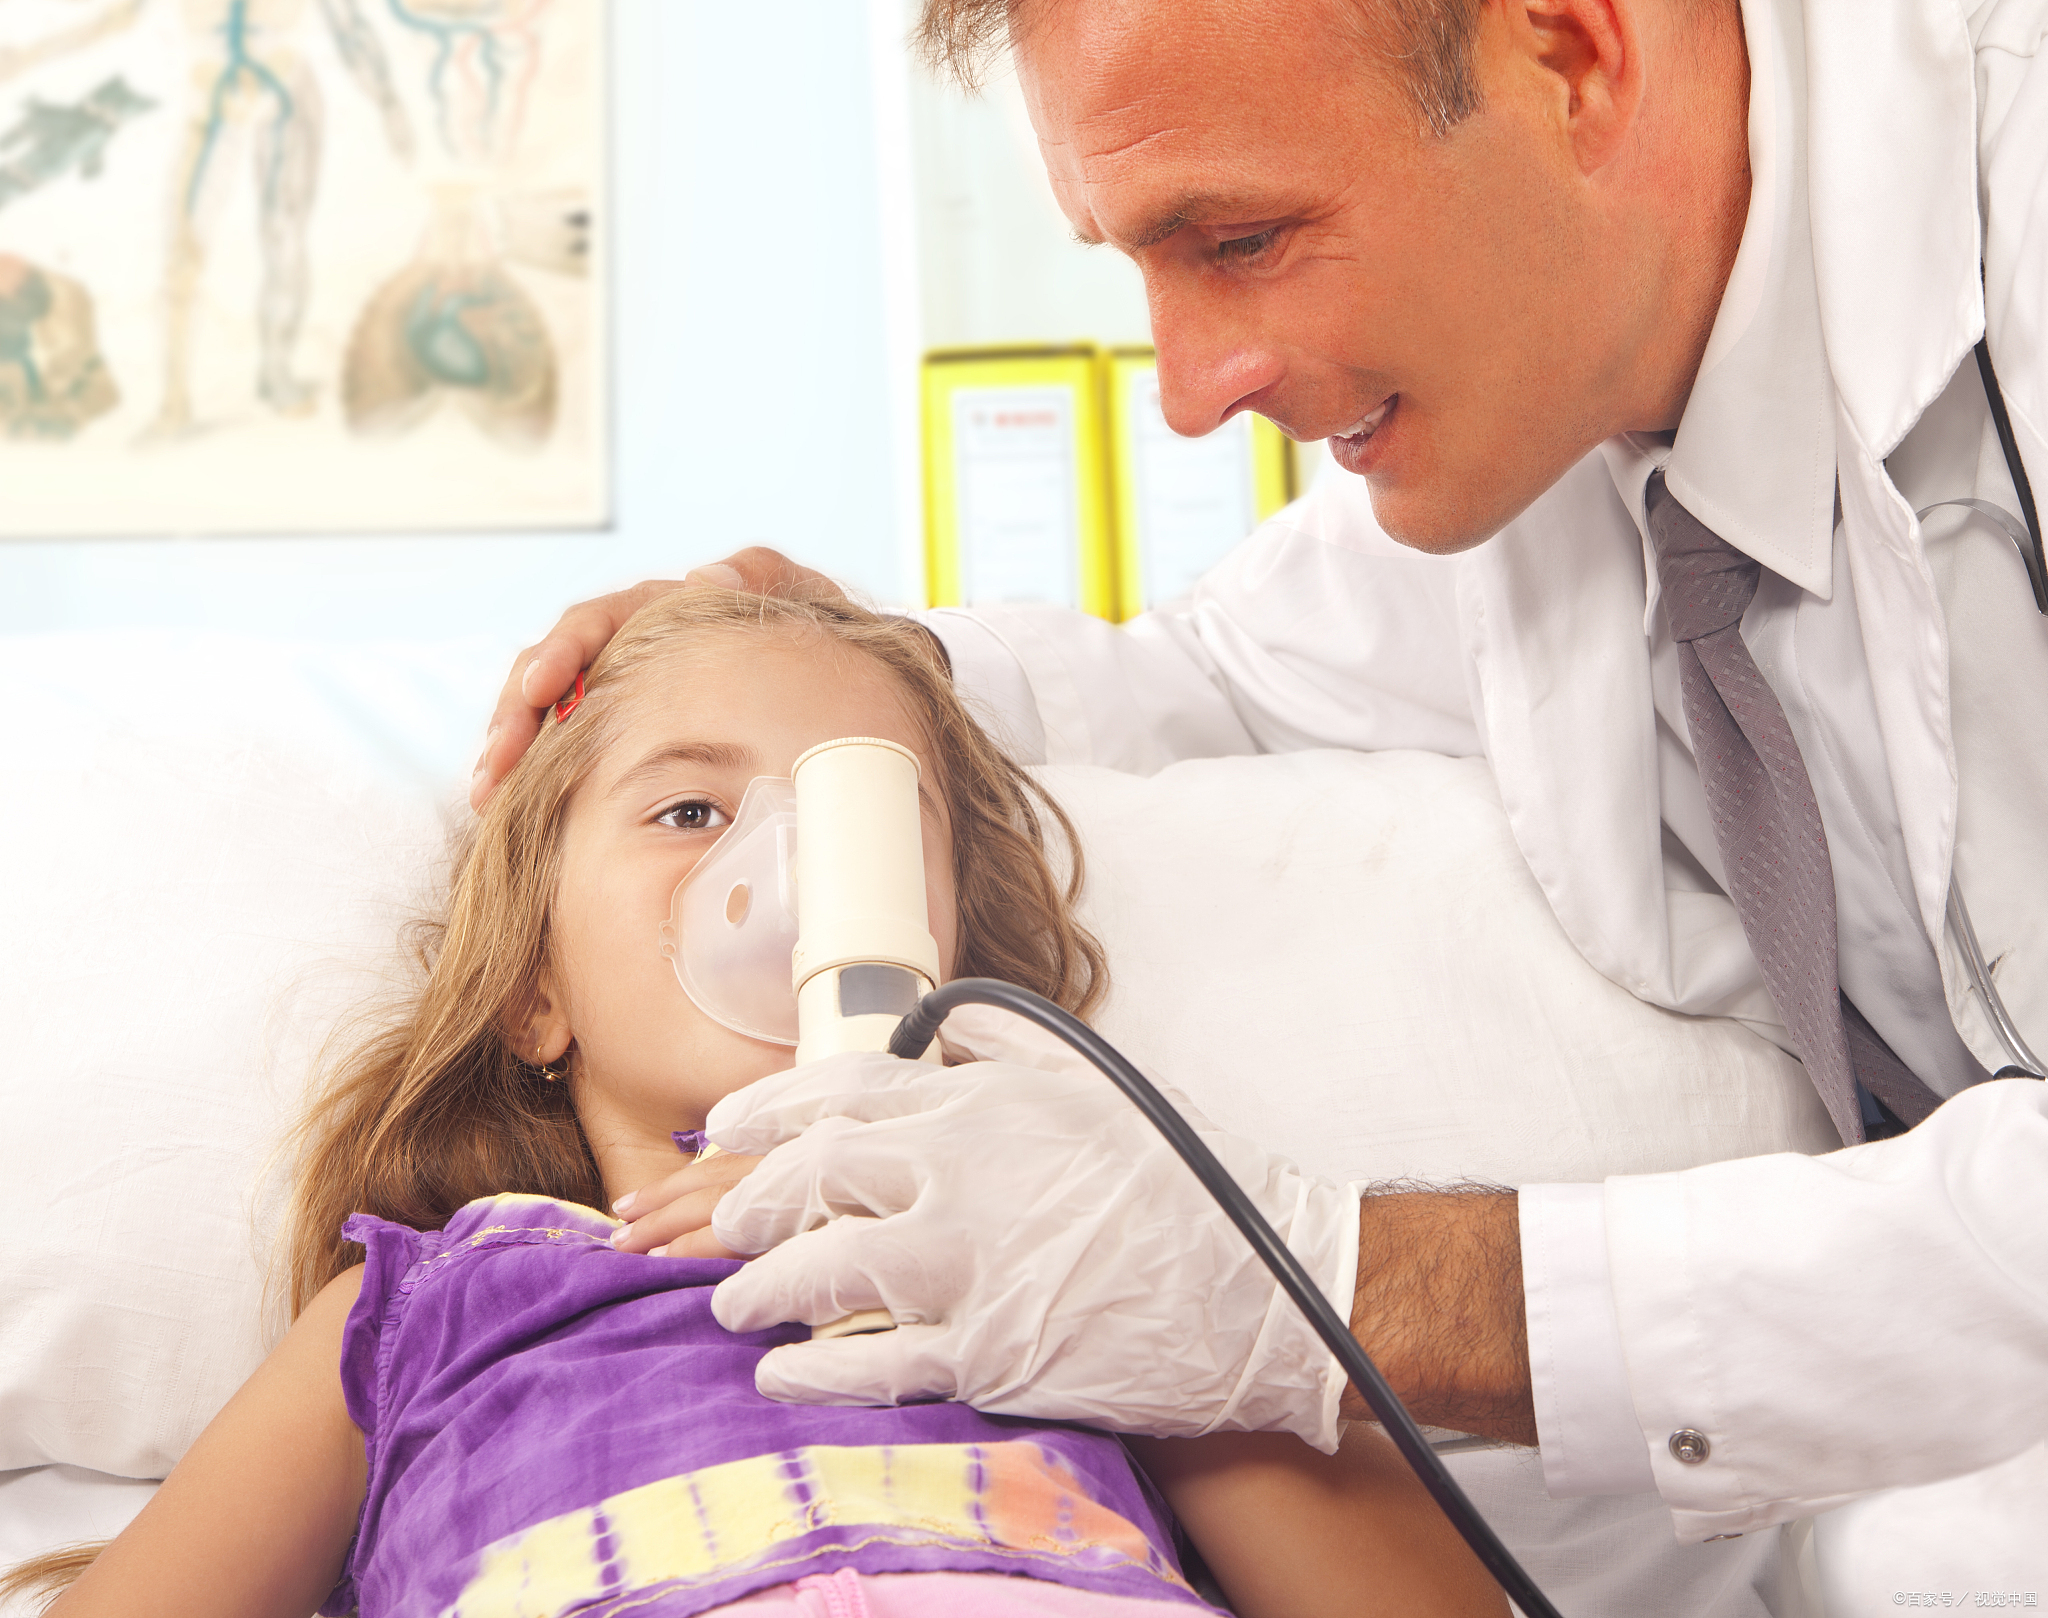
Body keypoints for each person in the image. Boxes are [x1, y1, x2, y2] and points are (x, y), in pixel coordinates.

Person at [470, 0, 2048, 1591]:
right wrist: (827, 669)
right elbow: (1216, 673)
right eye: (685, 814)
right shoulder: (1548, 390)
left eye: (1241, 240)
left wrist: (1320, 1284)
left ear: (1573, 57)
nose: (1187, 391)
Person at [3, 591, 1505, 1618]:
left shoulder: (1087, 1274)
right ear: (535, 985)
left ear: (957, 970)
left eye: (864, 815)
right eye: (690, 810)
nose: (786, 869)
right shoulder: (426, 1310)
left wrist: (1117, 1268)